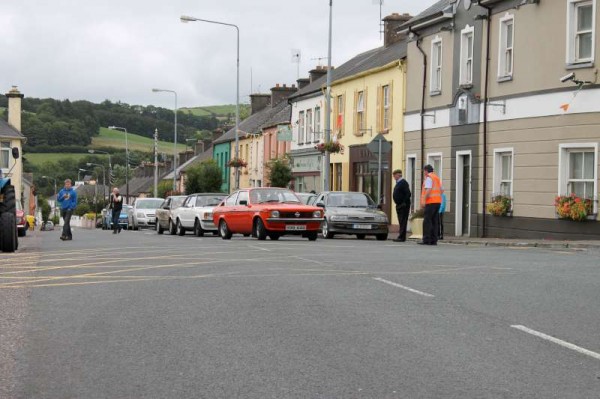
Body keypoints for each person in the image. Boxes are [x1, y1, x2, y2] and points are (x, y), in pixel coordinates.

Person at [419, 164, 443, 245]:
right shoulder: (436, 178)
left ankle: (426, 239)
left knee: (427, 221)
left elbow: (428, 190)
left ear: (426, 170)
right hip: (437, 202)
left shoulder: (429, 178)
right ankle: (434, 240)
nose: (424, 173)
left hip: (430, 202)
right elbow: (442, 190)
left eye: (424, 171)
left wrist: (424, 200)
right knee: (434, 221)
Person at [392, 169, 411, 242]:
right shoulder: (399, 183)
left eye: (394, 175)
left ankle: (401, 237)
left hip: (403, 205)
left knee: (403, 221)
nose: (394, 177)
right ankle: (401, 236)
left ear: (398, 175)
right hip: (399, 204)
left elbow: (408, 194)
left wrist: (403, 202)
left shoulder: (403, 183)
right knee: (401, 220)